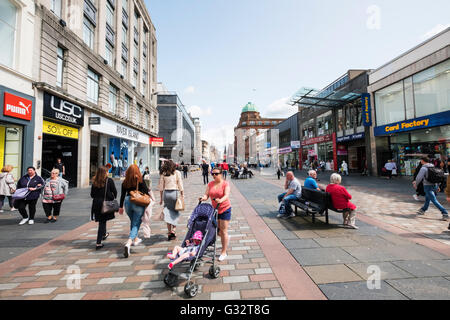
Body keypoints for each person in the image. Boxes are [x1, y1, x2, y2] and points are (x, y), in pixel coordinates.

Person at [199, 166, 231, 261]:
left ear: (221, 174)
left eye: (216, 174)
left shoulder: (225, 184)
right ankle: (225, 238)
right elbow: (207, 195)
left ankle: (223, 252)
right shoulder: (210, 184)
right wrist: (203, 198)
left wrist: (220, 200)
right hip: (214, 209)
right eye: (212, 174)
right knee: (218, 231)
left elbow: (226, 195)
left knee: (223, 231)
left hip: (225, 209)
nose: (214, 175)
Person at [119, 164, 149, 257]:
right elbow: (146, 191)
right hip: (138, 202)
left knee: (133, 221)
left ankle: (135, 239)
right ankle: (129, 242)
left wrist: (120, 207)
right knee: (136, 223)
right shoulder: (140, 180)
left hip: (127, 202)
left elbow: (122, 195)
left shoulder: (125, 182)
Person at [91, 166, 117, 250]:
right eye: (107, 171)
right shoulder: (109, 181)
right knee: (102, 222)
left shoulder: (94, 181)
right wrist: (112, 197)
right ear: (104, 172)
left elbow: (92, 195)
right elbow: (114, 192)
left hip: (96, 204)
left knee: (102, 220)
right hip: (105, 203)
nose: (108, 172)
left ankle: (103, 234)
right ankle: (98, 243)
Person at [159, 160, 184, 241]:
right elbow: (180, 184)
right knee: (175, 212)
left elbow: (161, 187)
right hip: (175, 193)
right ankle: (174, 230)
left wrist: (161, 199)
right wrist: (182, 194)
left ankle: (169, 232)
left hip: (166, 194)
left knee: (167, 213)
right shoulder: (177, 173)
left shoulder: (164, 173)